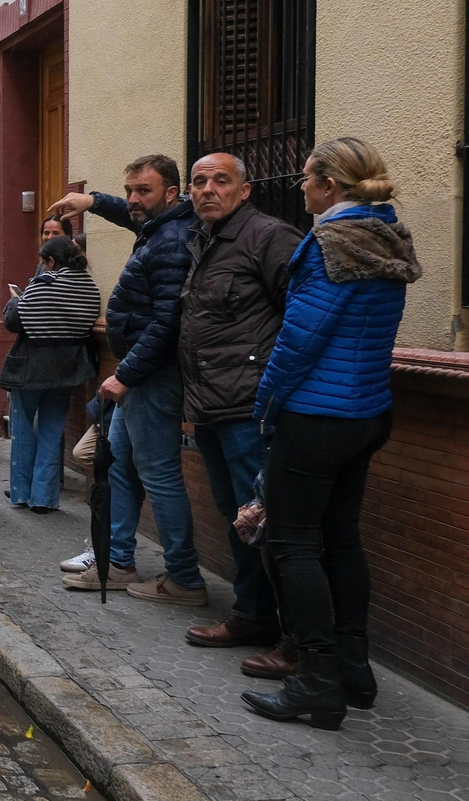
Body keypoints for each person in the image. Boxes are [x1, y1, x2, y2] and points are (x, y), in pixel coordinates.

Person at [242, 138, 419, 730]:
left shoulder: (327, 244)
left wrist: (264, 404)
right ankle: (352, 665)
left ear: (330, 186)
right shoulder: (388, 235)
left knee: (291, 544)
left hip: (315, 416)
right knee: (341, 539)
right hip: (368, 411)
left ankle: (317, 681)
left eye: (307, 178)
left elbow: (300, 339)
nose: (300, 187)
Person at [50, 156, 205, 605]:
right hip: (138, 374)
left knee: (158, 475)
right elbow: (132, 213)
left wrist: (127, 374)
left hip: (152, 377)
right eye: (130, 189)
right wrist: (93, 200)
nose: (134, 199)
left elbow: (167, 320)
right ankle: (117, 561)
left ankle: (184, 578)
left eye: (144, 191)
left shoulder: (173, 239)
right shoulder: (161, 225)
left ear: (172, 194)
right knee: (116, 466)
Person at [175, 154, 302, 656]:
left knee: (262, 520)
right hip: (209, 406)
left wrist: (271, 387)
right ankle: (252, 615)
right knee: (236, 516)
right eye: (199, 182)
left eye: (220, 181)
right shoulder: (202, 242)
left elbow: (301, 316)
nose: (207, 190)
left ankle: (283, 629)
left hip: (251, 409)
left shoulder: (269, 237)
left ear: (244, 191)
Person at [0, 237, 101, 513]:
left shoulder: (44, 283)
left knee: (23, 429)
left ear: (52, 261)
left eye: (44, 261)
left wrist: (15, 301)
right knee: (52, 430)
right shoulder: (90, 286)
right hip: (67, 368)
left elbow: (14, 321)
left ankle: (21, 492)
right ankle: (44, 497)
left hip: (32, 365)